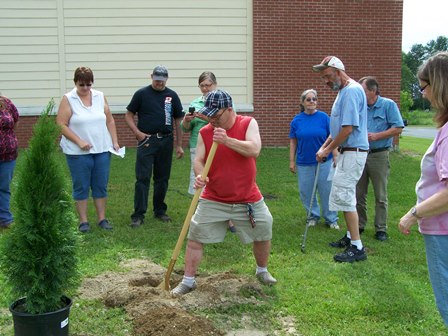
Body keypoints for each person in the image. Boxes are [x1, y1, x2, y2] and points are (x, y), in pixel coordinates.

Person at [171, 89, 277, 295]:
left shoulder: (248, 123)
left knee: (263, 230)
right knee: (195, 237)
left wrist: (227, 140)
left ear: (229, 109)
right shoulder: (205, 131)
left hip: (247, 197)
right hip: (214, 197)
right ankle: (188, 280)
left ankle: (262, 271)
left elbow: (254, 150)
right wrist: (200, 175)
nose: (211, 119)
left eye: (215, 114)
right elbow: (199, 160)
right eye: (208, 114)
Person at [398, 51, 448, 327]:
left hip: (443, 231)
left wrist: (414, 213)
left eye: (424, 86)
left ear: (439, 85)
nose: (423, 94)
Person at [313, 56, 369, 263]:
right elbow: (336, 128)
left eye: (328, 76)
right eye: (324, 78)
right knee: (344, 196)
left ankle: (357, 247)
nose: (326, 81)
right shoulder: (342, 92)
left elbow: (347, 129)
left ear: (339, 71)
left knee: (346, 198)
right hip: (346, 151)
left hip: (353, 151)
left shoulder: (352, 91)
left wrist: (327, 151)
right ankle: (349, 236)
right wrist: (324, 146)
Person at [56, 66, 119, 233]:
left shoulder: (99, 96)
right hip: (78, 153)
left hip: (102, 150)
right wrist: (79, 141)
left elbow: (110, 121)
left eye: (88, 85)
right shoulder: (68, 99)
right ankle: (83, 221)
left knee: (100, 185)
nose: (85, 88)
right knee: (81, 186)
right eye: (81, 85)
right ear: (75, 82)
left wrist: (115, 141)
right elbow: (61, 124)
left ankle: (102, 218)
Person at [125, 65, 184, 227]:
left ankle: (159, 210)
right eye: (157, 80)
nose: (159, 83)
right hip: (147, 141)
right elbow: (129, 115)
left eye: (162, 81)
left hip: (166, 141)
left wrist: (179, 145)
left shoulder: (171, 96)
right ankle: (138, 214)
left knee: (162, 178)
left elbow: (179, 120)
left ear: (167, 79)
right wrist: (137, 132)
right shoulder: (141, 94)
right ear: (151, 77)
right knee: (142, 178)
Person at [356, 76, 404, 241]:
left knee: (380, 194)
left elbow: (398, 128)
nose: (360, 94)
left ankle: (381, 229)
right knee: (358, 194)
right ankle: (359, 226)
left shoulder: (388, 105)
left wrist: (377, 136)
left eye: (363, 91)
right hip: (360, 154)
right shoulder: (360, 107)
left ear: (373, 90)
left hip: (379, 155)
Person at [289, 89, 339, 229]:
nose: (312, 102)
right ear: (302, 102)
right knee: (306, 191)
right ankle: (312, 216)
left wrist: (335, 155)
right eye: (308, 99)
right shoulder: (297, 120)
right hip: (304, 162)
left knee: (326, 191)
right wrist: (292, 161)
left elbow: (333, 137)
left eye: (314, 99)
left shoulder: (324, 118)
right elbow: (293, 141)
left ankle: (331, 219)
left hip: (325, 161)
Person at [181, 72, 217, 195]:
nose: (205, 88)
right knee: (198, 178)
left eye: (208, 85)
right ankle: (197, 210)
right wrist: (186, 120)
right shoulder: (195, 103)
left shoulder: (223, 102)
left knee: (217, 177)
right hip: (197, 145)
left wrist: (204, 117)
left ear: (215, 84)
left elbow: (227, 123)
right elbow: (185, 129)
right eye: (202, 85)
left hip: (217, 144)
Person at [0, 94, 19, 229]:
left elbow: (15, 121)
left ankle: (5, 219)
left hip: (8, 155)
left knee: (4, 187)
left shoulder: (6, 102)